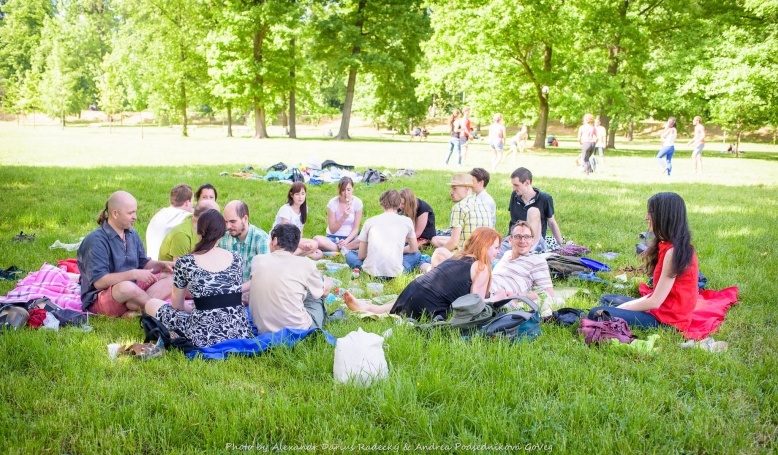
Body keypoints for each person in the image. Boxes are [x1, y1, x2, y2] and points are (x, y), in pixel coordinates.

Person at [342, 227, 509, 319]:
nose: (498, 252)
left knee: (399, 306)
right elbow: (475, 305)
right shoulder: (482, 267)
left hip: (413, 290)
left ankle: (368, 307)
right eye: (495, 248)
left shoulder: (459, 256)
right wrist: (497, 298)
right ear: (485, 247)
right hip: (427, 306)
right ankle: (368, 308)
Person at [143, 210, 254, 347]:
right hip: (238, 330)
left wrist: (196, 309)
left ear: (198, 232)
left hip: (203, 334)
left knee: (151, 303)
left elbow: (177, 305)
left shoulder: (185, 261)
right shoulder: (236, 258)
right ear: (222, 233)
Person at [588, 192, 698, 330]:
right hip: (662, 308)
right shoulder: (669, 244)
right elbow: (655, 295)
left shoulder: (673, 251)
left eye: (651, 212)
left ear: (665, 216)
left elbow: (655, 302)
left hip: (668, 321)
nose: (646, 217)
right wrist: (624, 307)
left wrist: (625, 310)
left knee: (596, 313)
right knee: (607, 298)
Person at [77, 191, 174, 318]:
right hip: (102, 298)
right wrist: (133, 274)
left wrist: (161, 264)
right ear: (115, 213)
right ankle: (160, 311)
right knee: (126, 287)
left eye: (135, 212)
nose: (135, 216)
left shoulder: (132, 234)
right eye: (130, 213)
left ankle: (136, 310)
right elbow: (99, 282)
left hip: (133, 290)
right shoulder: (95, 240)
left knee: (172, 276)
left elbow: (143, 263)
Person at [249, 223, 333, 333]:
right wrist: (328, 283)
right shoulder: (306, 264)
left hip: (263, 329)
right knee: (317, 292)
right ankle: (321, 319)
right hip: (297, 331)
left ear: (274, 241)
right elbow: (323, 293)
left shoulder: (257, 260)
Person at [343, 190, 420, 279]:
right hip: (395, 273)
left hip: (371, 272)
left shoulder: (370, 222)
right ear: (399, 205)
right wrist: (397, 251)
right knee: (417, 254)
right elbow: (414, 249)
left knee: (350, 255)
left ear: (382, 203)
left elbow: (361, 256)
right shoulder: (407, 221)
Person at [430, 173, 493, 267]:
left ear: (467, 188)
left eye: (454, 188)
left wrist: (441, 252)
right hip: (484, 257)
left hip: (465, 259)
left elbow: (454, 242)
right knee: (435, 240)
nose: (451, 192)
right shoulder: (485, 205)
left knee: (425, 259)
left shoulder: (459, 207)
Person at [500, 167, 565, 257]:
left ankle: (526, 254)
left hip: (534, 242)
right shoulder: (514, 195)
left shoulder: (544, 199)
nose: (513, 188)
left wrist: (561, 244)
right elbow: (514, 221)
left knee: (533, 211)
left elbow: (552, 222)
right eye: (513, 185)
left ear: (527, 182)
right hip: (514, 239)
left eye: (516, 185)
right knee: (489, 251)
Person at [490, 222, 555, 302]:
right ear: (510, 240)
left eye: (527, 237)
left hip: (494, 294)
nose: (522, 241)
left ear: (532, 241)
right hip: (481, 285)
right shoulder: (507, 254)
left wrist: (517, 296)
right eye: (518, 237)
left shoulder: (537, 261)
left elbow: (549, 294)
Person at [218, 200, 270, 289]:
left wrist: (237, 290)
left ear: (245, 218)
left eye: (232, 221)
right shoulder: (223, 239)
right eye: (226, 222)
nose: (228, 226)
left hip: (253, 293)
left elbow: (264, 275)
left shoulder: (261, 239)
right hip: (229, 293)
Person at [272, 182, 323, 260]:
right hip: (280, 241)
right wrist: (301, 245)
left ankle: (294, 256)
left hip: (294, 241)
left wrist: (302, 244)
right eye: (297, 194)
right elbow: (285, 235)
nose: (300, 197)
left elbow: (300, 230)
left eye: (303, 194)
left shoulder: (304, 208)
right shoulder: (286, 209)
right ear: (291, 195)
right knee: (311, 250)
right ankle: (288, 257)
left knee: (315, 244)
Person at [146, 184, 194, 261]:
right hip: (168, 267)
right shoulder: (187, 218)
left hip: (151, 264)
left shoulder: (158, 215)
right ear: (187, 202)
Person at [314, 177, 363, 252]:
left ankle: (344, 247)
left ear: (353, 188)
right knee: (317, 239)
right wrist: (343, 217)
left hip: (350, 238)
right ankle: (345, 248)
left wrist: (346, 241)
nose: (346, 193)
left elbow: (356, 228)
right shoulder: (333, 203)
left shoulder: (357, 203)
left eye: (348, 190)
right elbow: (332, 230)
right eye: (343, 190)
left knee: (365, 239)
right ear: (338, 190)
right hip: (333, 238)